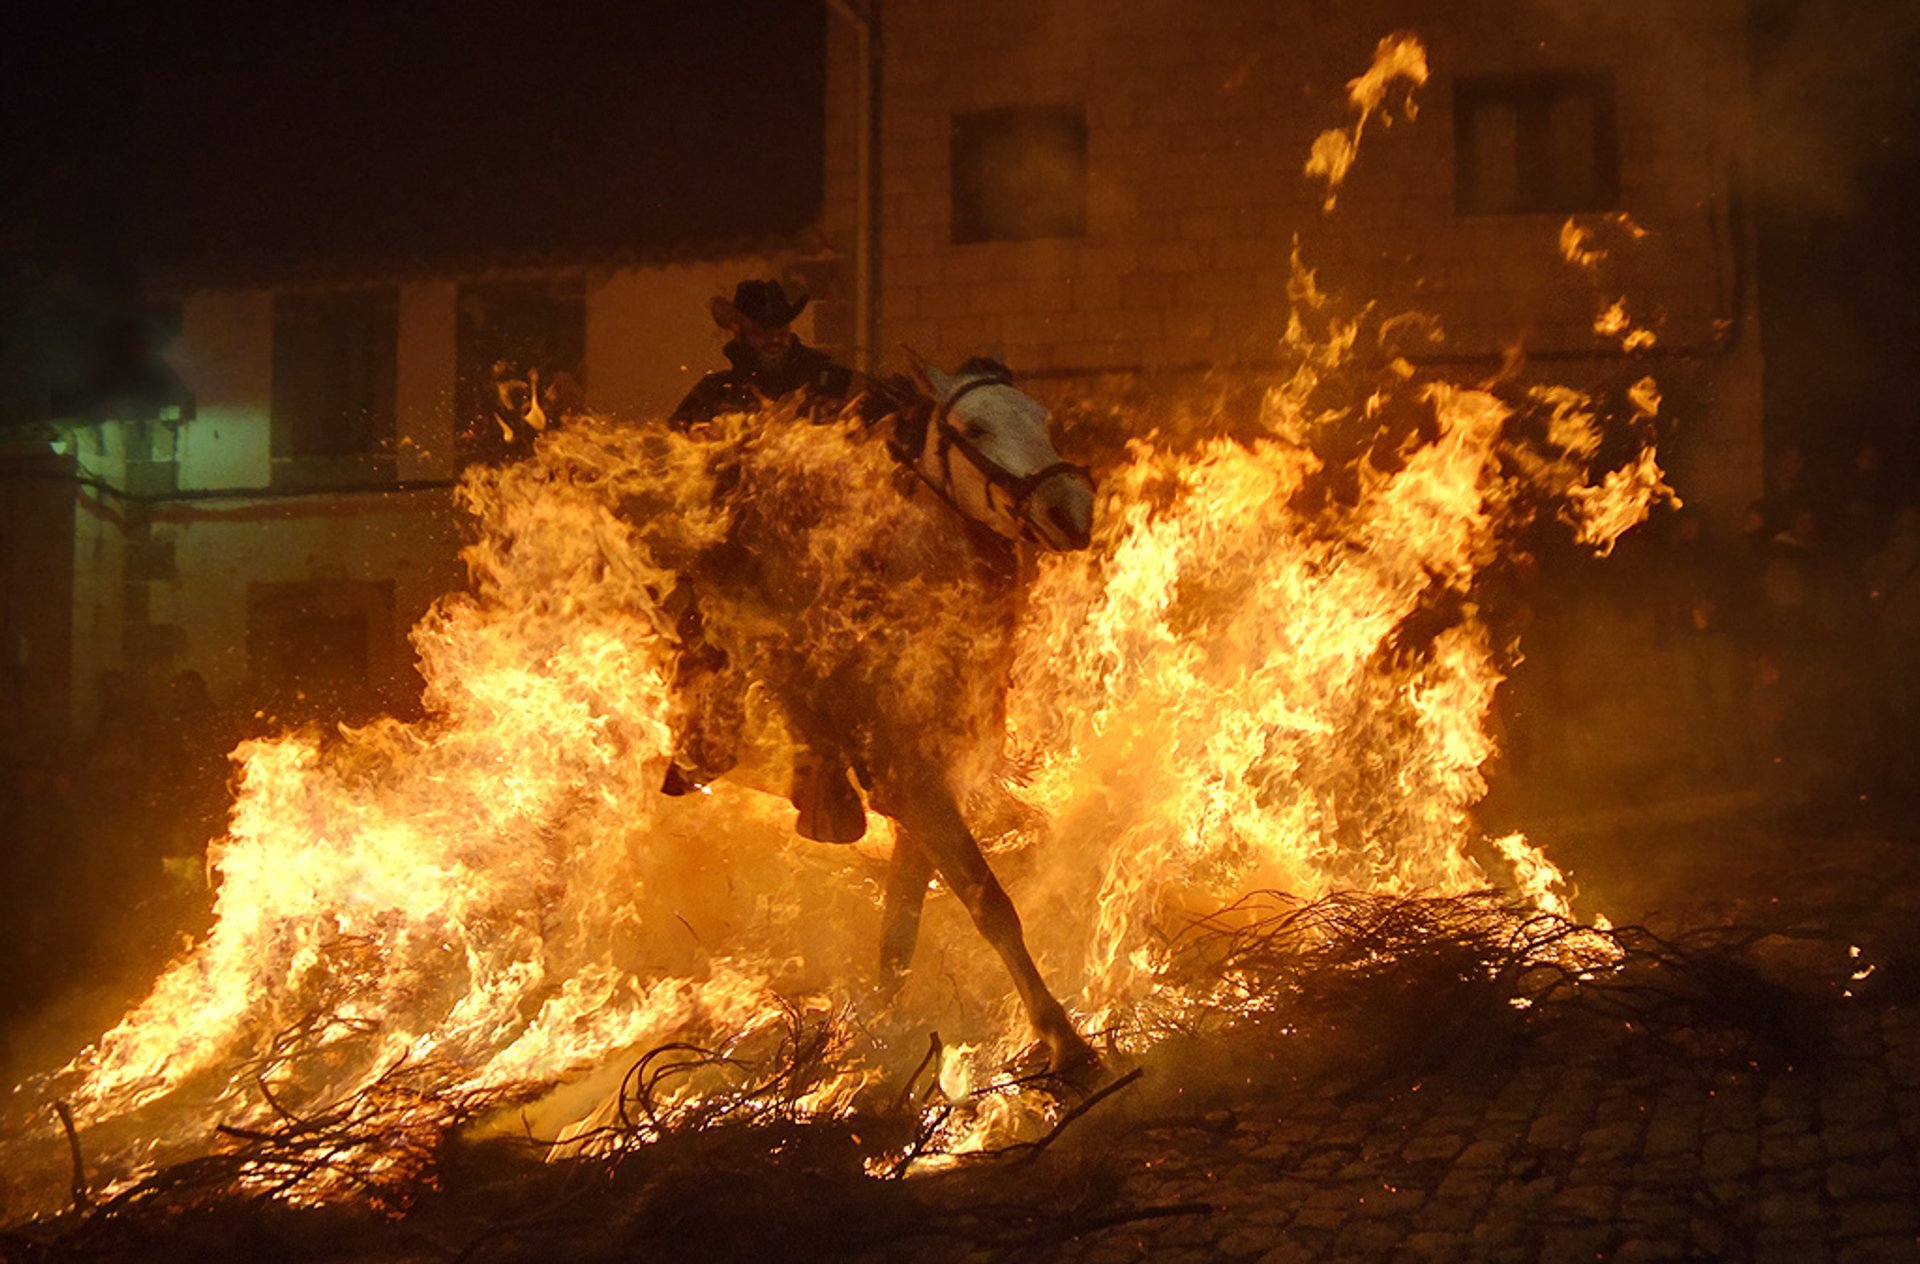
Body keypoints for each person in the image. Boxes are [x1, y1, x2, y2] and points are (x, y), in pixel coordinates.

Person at [669, 279, 863, 429]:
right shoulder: (714, 393)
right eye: (762, 332)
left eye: (781, 330)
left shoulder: (827, 378)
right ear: (740, 332)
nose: (774, 340)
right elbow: (677, 444)